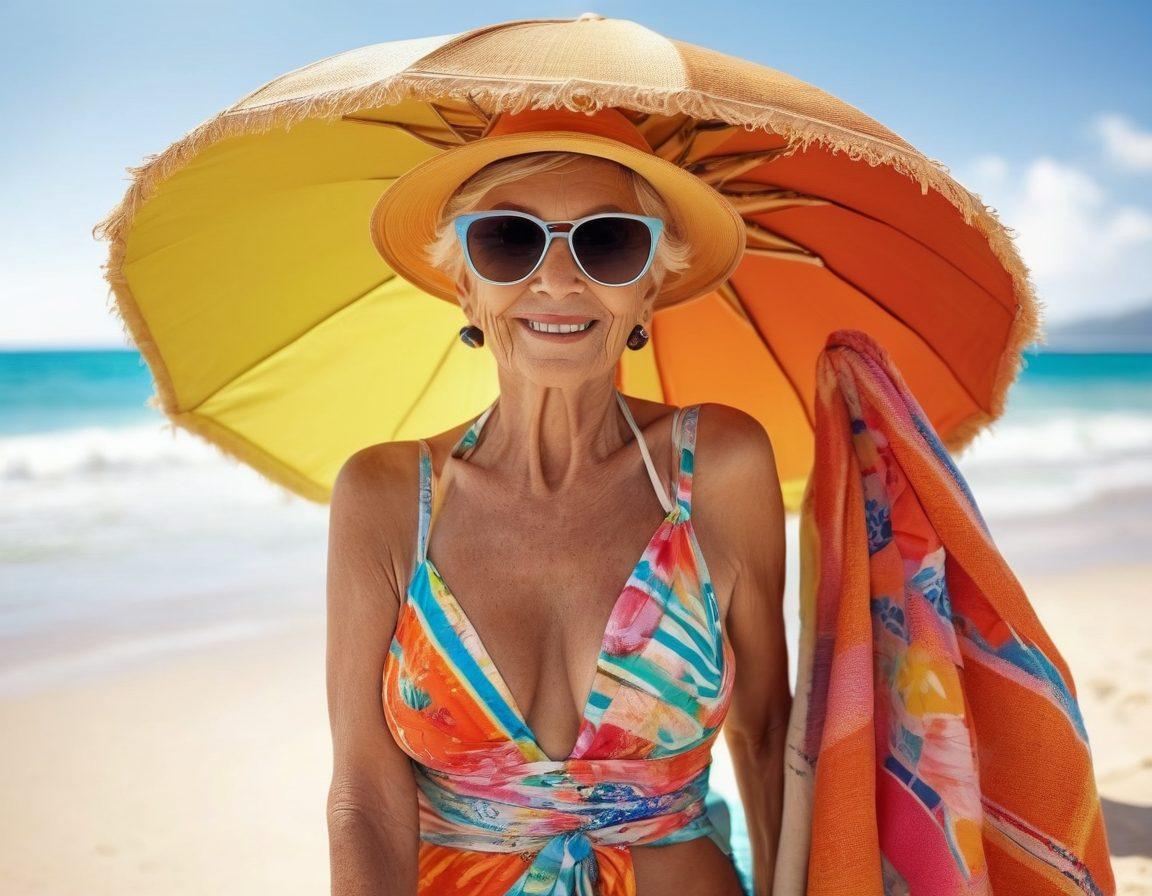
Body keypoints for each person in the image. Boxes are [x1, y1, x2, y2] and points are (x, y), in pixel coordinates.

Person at [325, 106, 791, 896]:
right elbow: (364, 799)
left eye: (608, 241)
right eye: (509, 239)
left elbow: (769, 736)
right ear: (465, 287)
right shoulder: (385, 496)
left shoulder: (721, 468)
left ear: (650, 290)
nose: (558, 279)